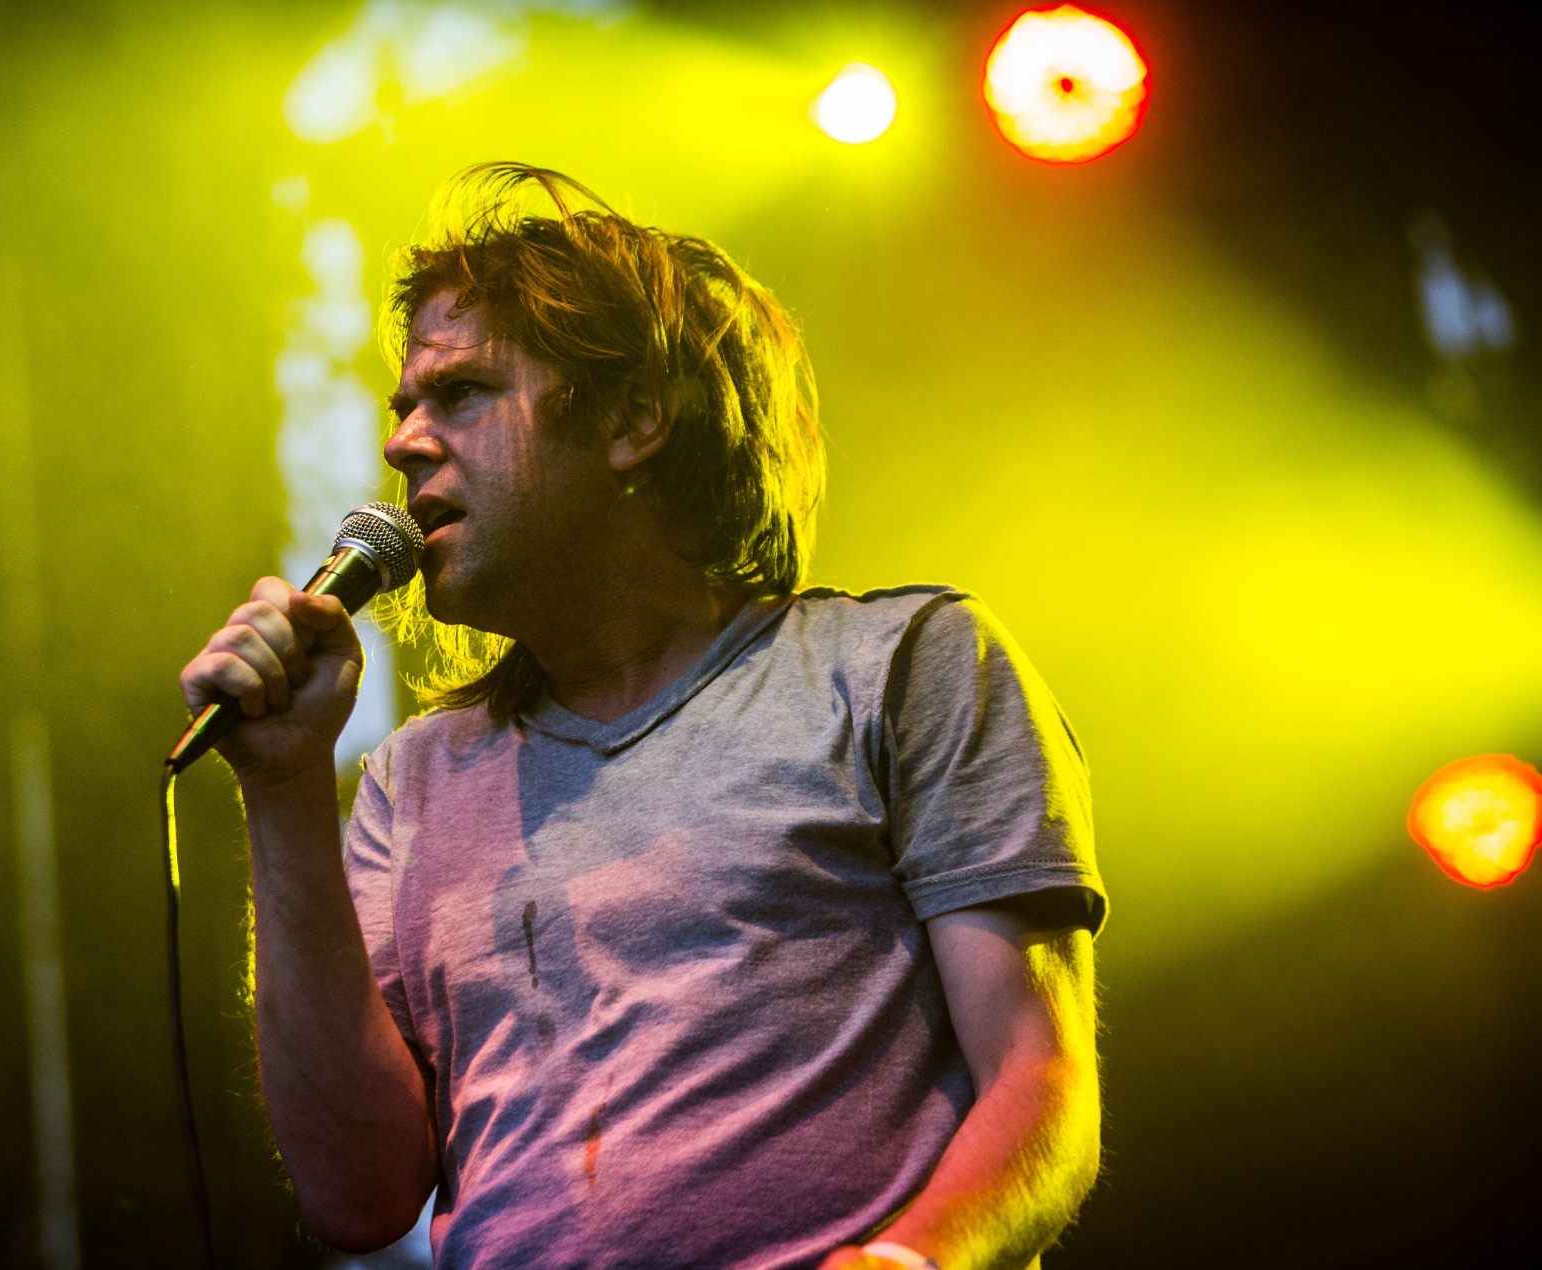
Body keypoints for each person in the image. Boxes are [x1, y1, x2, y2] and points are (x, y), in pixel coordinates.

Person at [180, 164, 1104, 1270]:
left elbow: (1036, 1079)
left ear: (632, 419)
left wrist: (909, 1262)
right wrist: (282, 790)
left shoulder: (901, 665)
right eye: (403, 406)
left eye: (462, 393)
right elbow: (355, 1196)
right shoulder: (411, 783)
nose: (404, 442)